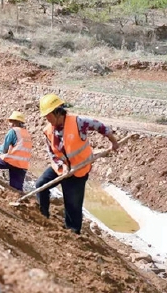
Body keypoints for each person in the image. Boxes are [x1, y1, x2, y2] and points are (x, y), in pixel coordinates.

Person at [35, 93, 119, 235]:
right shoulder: (48, 131)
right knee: (41, 185)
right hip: (61, 168)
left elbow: (100, 126)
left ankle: (73, 233)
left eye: (48, 115)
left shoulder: (78, 122)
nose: (46, 119)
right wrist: (62, 166)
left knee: (72, 204)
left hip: (79, 170)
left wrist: (113, 141)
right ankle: (44, 217)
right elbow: (52, 154)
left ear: (57, 112)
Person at [0, 111, 33, 191]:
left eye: (10, 121)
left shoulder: (13, 131)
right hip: (23, 165)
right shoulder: (27, 134)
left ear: (15, 122)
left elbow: (4, 149)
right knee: (16, 189)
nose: (9, 124)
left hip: (12, 161)